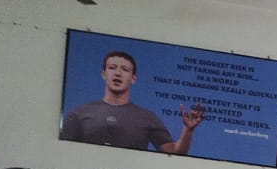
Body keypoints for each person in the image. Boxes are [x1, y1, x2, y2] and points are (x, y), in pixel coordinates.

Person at [60, 49, 205, 153]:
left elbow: (174, 151)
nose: (118, 73)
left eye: (125, 69)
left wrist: (188, 130)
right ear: (103, 74)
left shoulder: (148, 117)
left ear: (133, 78)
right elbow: (62, 151)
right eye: (112, 68)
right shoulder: (79, 113)